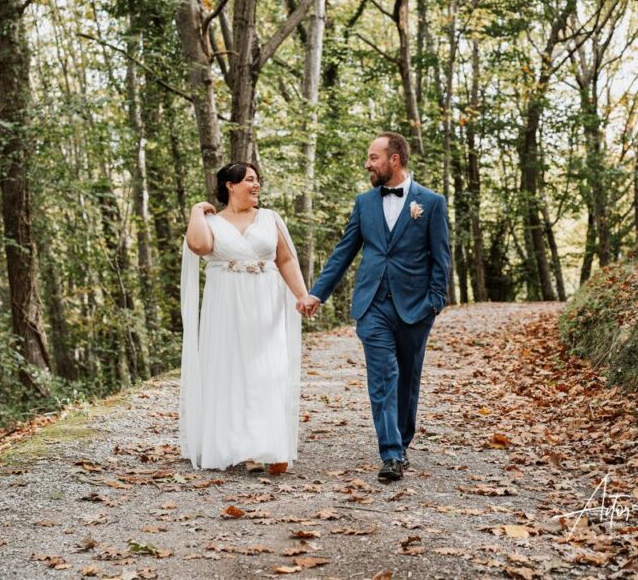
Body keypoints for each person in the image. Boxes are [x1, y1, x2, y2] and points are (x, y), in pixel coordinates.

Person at [299, 133, 451, 482]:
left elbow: (441, 258)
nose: (368, 164)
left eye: (373, 158)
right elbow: (343, 252)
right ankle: (391, 453)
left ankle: (402, 440)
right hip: (372, 305)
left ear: (394, 160)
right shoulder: (364, 203)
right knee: (383, 375)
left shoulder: (431, 202)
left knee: (408, 379)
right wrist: (317, 293)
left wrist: (435, 302)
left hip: (415, 307)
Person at [180, 162, 311, 471]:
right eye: (249, 180)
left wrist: (302, 295)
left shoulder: (270, 218)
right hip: (225, 305)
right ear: (230, 184)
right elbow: (199, 245)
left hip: (265, 302)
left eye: (257, 180)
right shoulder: (211, 222)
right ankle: (242, 450)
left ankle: (271, 446)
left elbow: (286, 260)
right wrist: (197, 211)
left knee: (266, 370)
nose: (256, 185)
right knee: (230, 371)